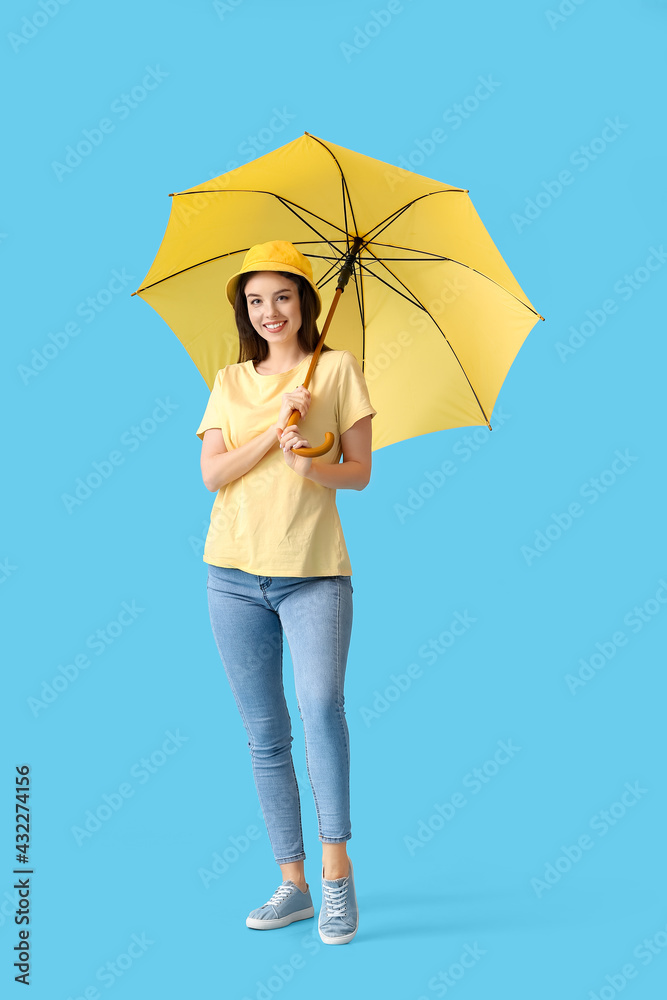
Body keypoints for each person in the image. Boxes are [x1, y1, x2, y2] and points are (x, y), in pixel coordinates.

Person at [195, 240, 377, 945]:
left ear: (303, 300)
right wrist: (274, 435)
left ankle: (336, 877)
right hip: (231, 575)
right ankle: (291, 884)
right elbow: (212, 474)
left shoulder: (335, 369)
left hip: (313, 572)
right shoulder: (229, 379)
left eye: (282, 296)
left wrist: (312, 460)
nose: (269, 311)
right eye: (255, 300)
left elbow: (359, 472)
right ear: (245, 310)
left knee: (321, 705)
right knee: (265, 736)